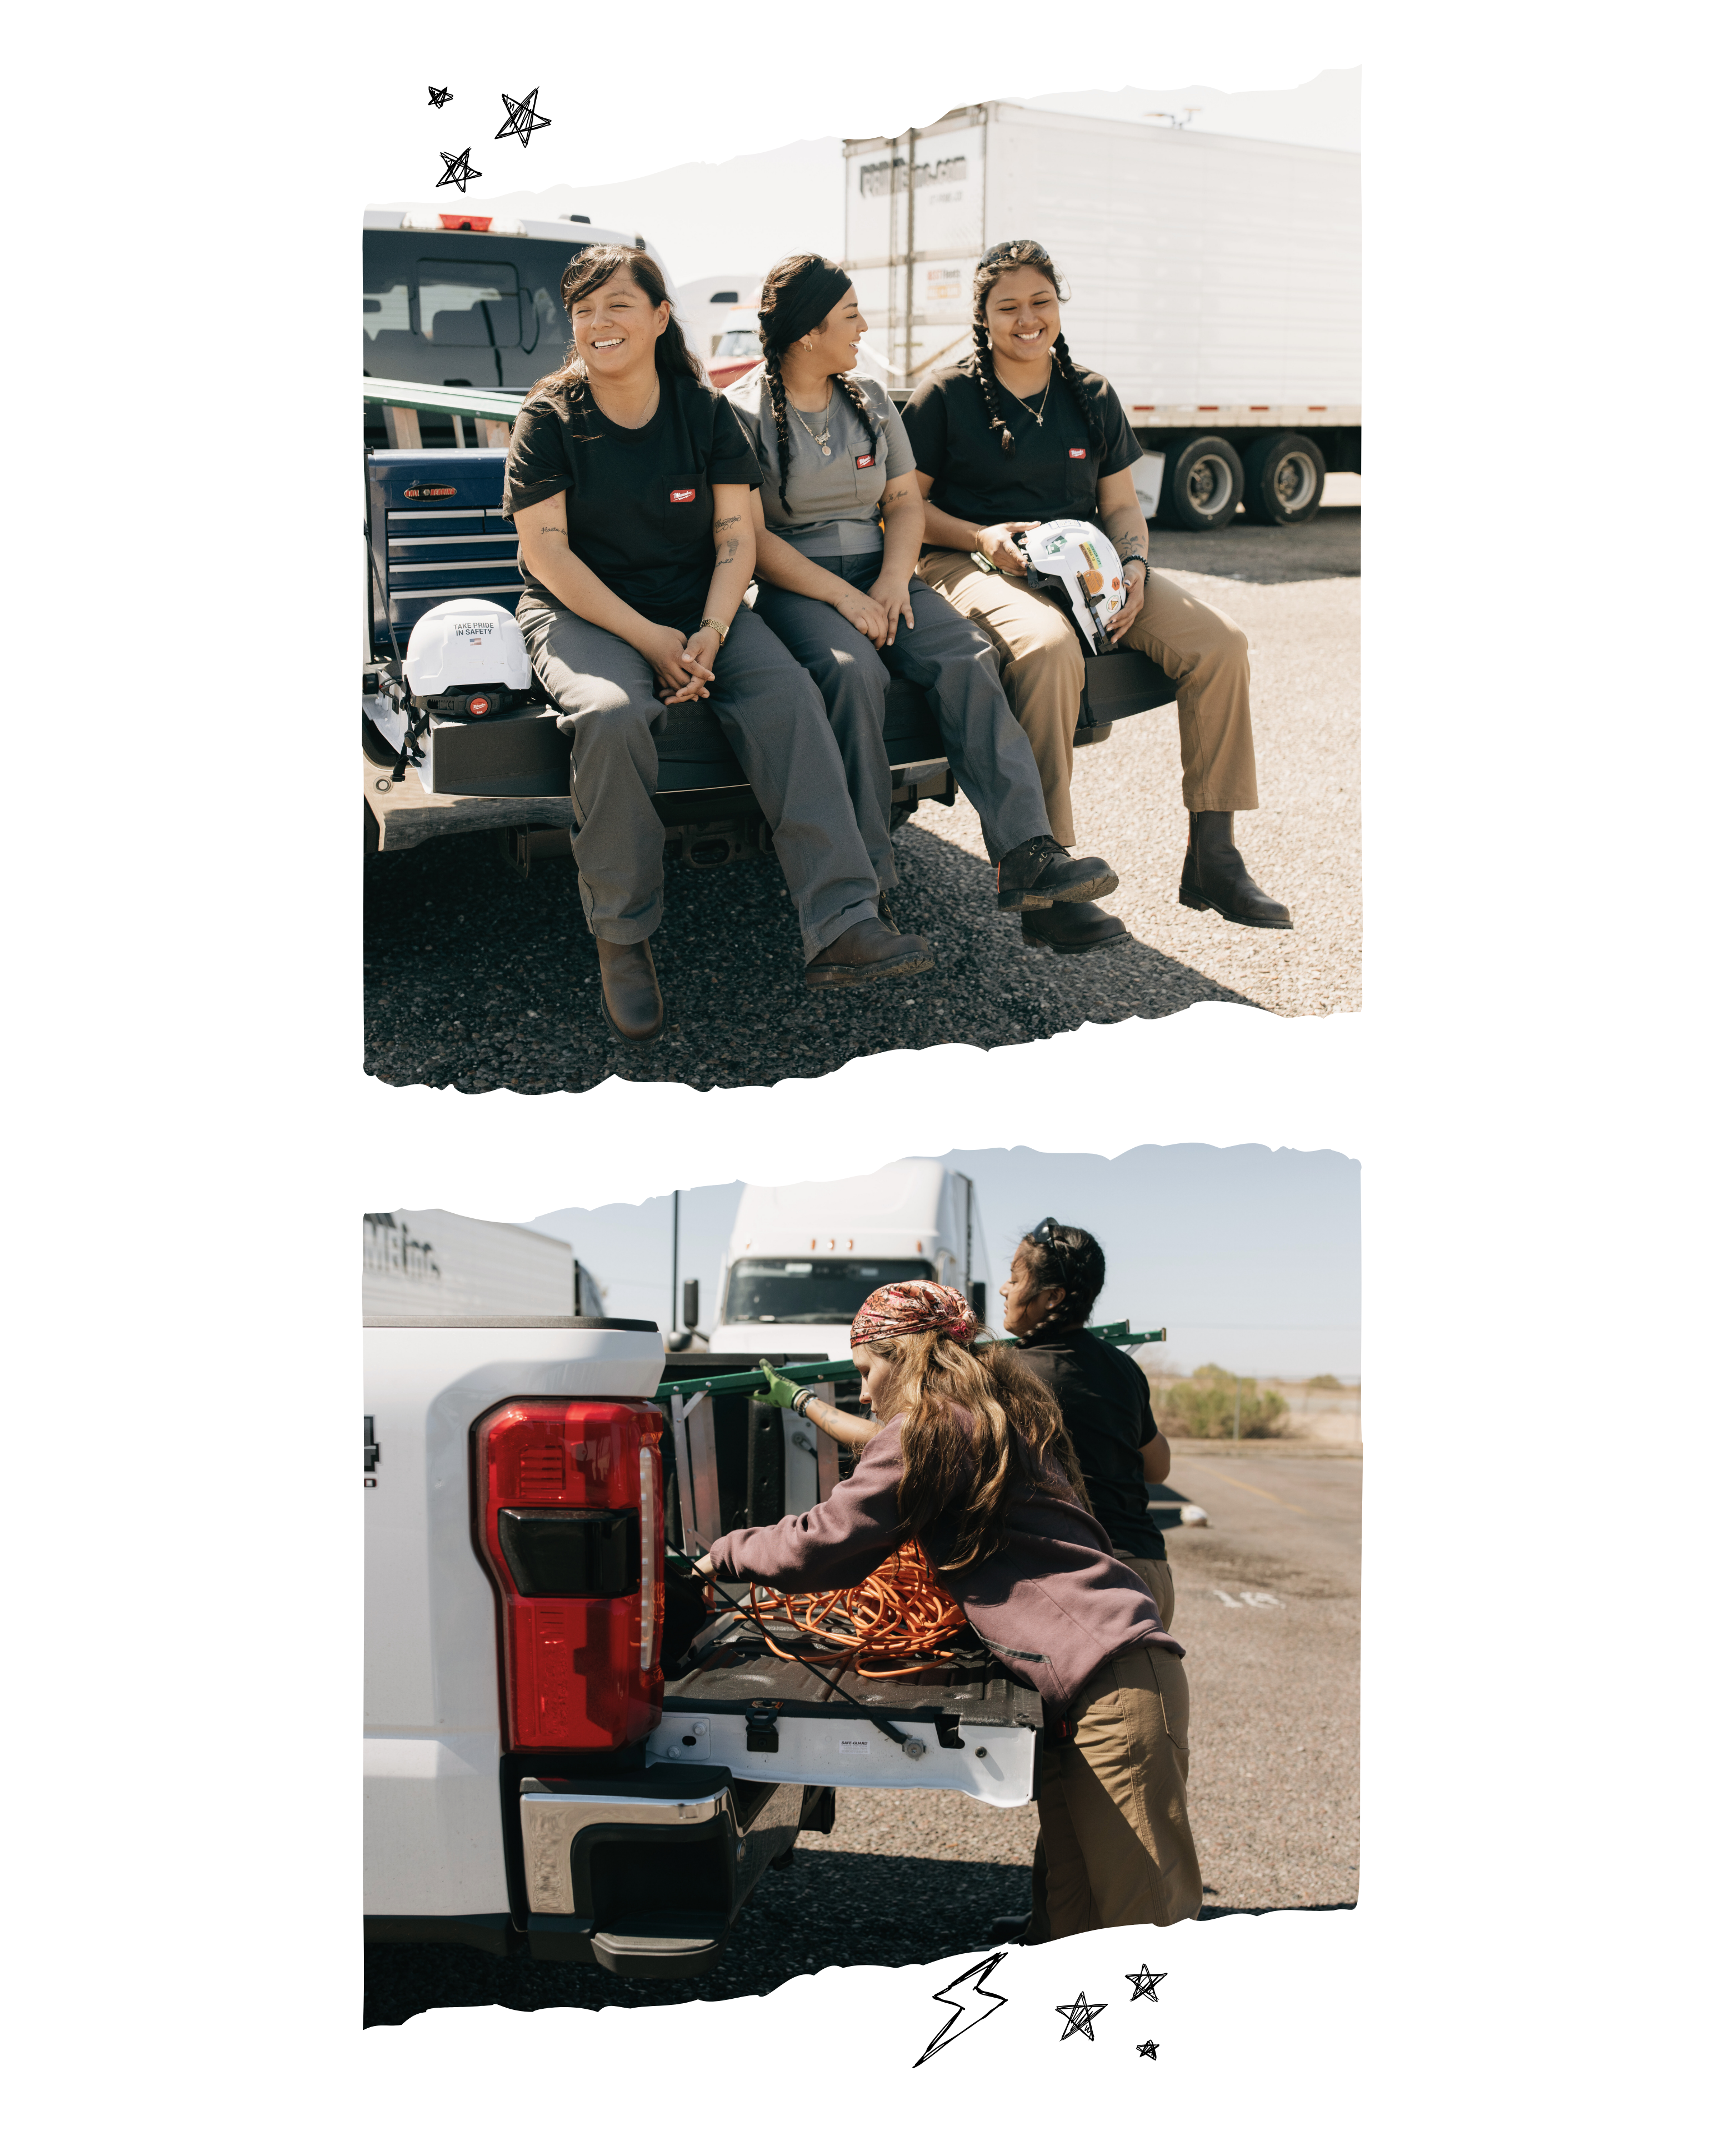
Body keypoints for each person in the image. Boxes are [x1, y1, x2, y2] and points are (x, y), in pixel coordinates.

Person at [502, 244, 932, 1047]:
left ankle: (841, 922)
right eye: (583, 311)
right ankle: (623, 938)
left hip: (701, 609)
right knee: (612, 712)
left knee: (789, 695)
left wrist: (707, 631)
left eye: (617, 306)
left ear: (660, 317)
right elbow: (547, 555)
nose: (599, 324)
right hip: (585, 613)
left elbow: (738, 535)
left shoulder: (699, 412)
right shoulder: (549, 417)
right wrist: (653, 642)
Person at [694, 1278, 1203, 1939]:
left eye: (867, 1370)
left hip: (1112, 1685)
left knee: (1146, 1933)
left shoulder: (934, 1429)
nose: (867, 1390)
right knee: (1071, 1915)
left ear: (904, 1354)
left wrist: (720, 1554)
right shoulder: (984, 1415)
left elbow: (821, 1545)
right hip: (1091, 1687)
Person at [902, 238, 1292, 951]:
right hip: (971, 560)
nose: (1028, 319)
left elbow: (1121, 508)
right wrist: (982, 536)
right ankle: (1046, 873)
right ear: (983, 317)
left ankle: (1215, 857)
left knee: (1222, 644)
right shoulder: (947, 396)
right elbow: (906, 508)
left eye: (1041, 302)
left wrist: (1136, 567)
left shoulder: (1092, 393)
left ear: (1059, 305)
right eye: (1008, 307)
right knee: (1048, 649)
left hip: (1091, 566)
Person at [726, 255, 1119, 923]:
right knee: (853, 675)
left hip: (886, 572)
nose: (864, 328)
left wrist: (887, 581)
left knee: (968, 656)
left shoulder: (872, 399)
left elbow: (905, 504)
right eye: (851, 316)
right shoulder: (739, 411)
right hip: (801, 584)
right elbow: (753, 538)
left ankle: (1026, 851)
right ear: (805, 332)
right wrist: (844, 598)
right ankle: (865, 883)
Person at [988, 1215, 1181, 1945]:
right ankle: (1055, 1924)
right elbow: (1157, 1465)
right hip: (1148, 1570)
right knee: (1076, 1766)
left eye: (1016, 1273)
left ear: (1053, 1296)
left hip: (1089, 1582)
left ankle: (1101, 1946)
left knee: (1088, 1770)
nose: (1004, 1286)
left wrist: (802, 1403)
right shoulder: (1120, 1367)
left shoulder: (1013, 1372)